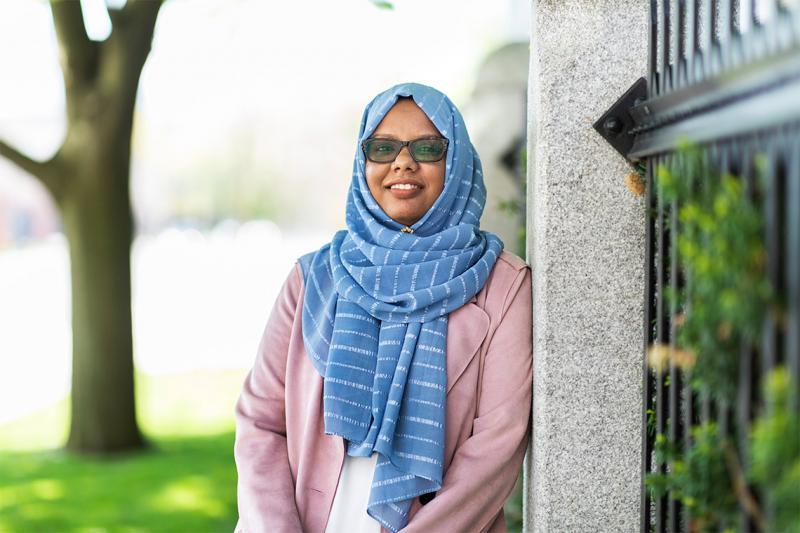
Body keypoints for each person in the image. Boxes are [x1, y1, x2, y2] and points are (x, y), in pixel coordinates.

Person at [234, 83, 532, 533]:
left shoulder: (502, 285)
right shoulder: (314, 278)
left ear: (458, 164)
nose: (403, 162)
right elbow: (260, 422)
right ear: (363, 162)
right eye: (383, 147)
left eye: (428, 147)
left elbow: (495, 450)